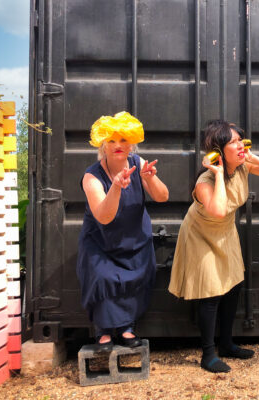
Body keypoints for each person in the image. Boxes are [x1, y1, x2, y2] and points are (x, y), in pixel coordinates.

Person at [168, 120, 259, 373]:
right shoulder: (206, 181)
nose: (239, 145)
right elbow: (219, 210)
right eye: (233, 142)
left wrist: (253, 156)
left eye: (240, 140)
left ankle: (226, 344)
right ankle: (208, 354)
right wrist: (220, 173)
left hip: (225, 233)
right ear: (218, 151)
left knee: (233, 286)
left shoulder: (244, 166)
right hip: (201, 235)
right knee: (210, 293)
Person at [76, 111, 169, 351]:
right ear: (103, 146)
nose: (118, 145)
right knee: (104, 278)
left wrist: (151, 178)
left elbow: (162, 197)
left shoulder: (139, 164)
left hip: (135, 239)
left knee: (135, 280)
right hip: (101, 242)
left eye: (124, 140)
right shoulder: (91, 176)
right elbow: (104, 217)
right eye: (112, 141)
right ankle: (104, 331)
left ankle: (127, 328)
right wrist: (116, 187)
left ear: (132, 144)